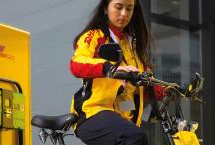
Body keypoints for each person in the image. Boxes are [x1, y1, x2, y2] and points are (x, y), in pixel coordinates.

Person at [68, 0, 165, 144]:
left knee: (134, 136)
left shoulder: (133, 46)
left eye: (129, 8)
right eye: (119, 7)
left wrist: (167, 91)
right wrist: (110, 68)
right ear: (106, 9)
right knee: (135, 137)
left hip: (122, 119)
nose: (124, 14)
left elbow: (145, 85)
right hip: (93, 112)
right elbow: (76, 64)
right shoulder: (94, 36)